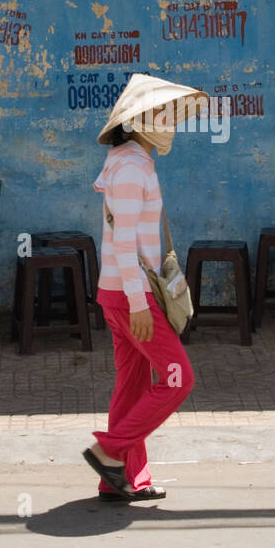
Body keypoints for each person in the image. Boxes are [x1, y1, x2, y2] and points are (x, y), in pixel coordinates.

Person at [82, 73, 206, 501]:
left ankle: (121, 479)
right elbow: (123, 241)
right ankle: (109, 450)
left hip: (118, 293)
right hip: (133, 296)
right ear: (136, 121)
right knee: (178, 379)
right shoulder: (132, 166)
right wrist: (138, 302)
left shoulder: (129, 161)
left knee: (132, 385)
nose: (168, 122)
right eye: (159, 114)